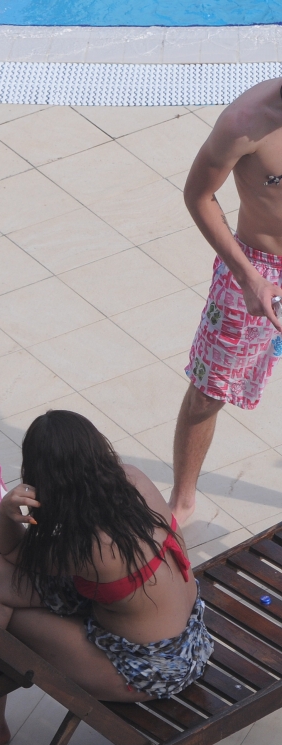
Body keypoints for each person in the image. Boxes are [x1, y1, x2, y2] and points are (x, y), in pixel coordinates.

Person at [0, 410, 213, 745]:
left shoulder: (91, 548)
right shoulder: (132, 478)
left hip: (148, 667)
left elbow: (15, 551)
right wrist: (7, 551)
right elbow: (27, 556)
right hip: (179, 633)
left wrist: (7, 513)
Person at [170, 78, 282, 526]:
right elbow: (197, 195)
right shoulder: (246, 122)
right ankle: (182, 501)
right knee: (208, 391)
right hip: (257, 266)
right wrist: (247, 277)